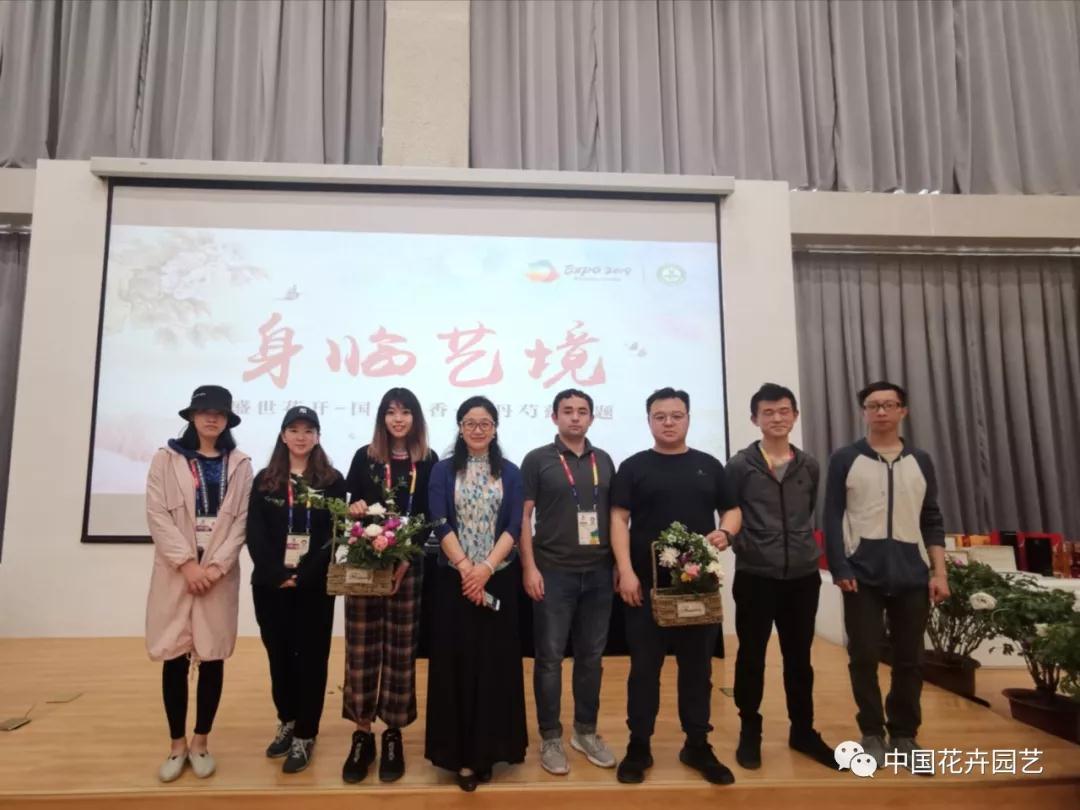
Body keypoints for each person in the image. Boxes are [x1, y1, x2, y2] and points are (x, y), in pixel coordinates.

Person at [610, 387, 742, 785]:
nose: (668, 422)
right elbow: (618, 519)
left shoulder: (708, 465)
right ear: (649, 420)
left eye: (676, 415)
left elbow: (732, 509)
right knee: (644, 669)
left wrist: (725, 532)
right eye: (660, 416)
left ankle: (697, 744)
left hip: (697, 588)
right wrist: (625, 570)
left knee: (697, 669)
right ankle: (639, 745)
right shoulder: (633, 467)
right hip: (646, 586)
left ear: (687, 418)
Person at [824, 381, 948, 772]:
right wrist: (840, 566)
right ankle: (872, 732)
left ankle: (905, 734)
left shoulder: (921, 460)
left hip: (912, 574)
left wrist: (939, 572)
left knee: (910, 659)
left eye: (889, 405)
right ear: (863, 411)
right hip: (861, 574)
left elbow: (931, 518)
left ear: (902, 411)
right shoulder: (845, 458)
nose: (881, 411)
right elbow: (831, 516)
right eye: (873, 405)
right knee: (863, 655)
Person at [145, 385, 253, 782]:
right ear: (192, 416)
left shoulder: (240, 464)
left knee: (212, 657)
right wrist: (188, 565)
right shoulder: (166, 459)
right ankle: (176, 745)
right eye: (204, 411)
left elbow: (241, 521)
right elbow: (157, 514)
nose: (212, 418)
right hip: (178, 573)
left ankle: (201, 741)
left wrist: (216, 567)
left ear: (227, 420)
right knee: (174, 657)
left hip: (217, 576)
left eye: (219, 413)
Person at [724, 383, 835, 771]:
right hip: (756, 575)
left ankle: (802, 730)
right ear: (755, 419)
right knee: (751, 656)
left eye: (784, 411)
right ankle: (749, 729)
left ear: (795, 416)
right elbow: (730, 512)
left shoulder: (809, 465)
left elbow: (810, 512)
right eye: (768, 412)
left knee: (799, 658)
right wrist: (746, 546)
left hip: (802, 576)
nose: (776, 418)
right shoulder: (740, 465)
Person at [425, 396, 528, 791]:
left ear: (495, 428)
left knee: (494, 667)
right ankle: (461, 758)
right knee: (457, 666)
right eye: (470, 422)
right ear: (460, 427)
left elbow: (514, 525)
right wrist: (467, 568)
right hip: (454, 582)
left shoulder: (511, 473)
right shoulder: (443, 470)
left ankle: (488, 752)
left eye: (485, 423)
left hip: (497, 579)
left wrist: (485, 569)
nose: (478, 429)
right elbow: (439, 520)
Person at [340, 388, 439, 783]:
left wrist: (405, 559)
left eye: (406, 412)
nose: (398, 419)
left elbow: (429, 516)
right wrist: (355, 510)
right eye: (391, 412)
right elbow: (353, 510)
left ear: (416, 418)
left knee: (400, 650)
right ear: (382, 417)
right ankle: (362, 733)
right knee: (361, 649)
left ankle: (393, 733)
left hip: (408, 566)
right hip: (365, 563)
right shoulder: (365, 457)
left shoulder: (428, 461)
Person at [520, 388, 617, 775]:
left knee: (591, 658)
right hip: (553, 572)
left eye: (582, 411)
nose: (575, 417)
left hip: (598, 573)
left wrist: (617, 565)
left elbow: (615, 516)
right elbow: (523, 517)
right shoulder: (537, 460)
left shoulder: (603, 460)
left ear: (591, 417)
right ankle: (550, 737)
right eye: (567, 411)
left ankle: (585, 732)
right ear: (554, 417)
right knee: (549, 659)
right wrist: (529, 567)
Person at [246, 405, 346, 774]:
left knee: (312, 660)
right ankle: (287, 720)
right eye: (294, 430)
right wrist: (276, 573)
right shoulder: (265, 480)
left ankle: (306, 733)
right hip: (270, 586)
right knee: (280, 657)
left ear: (317, 437)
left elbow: (335, 534)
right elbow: (254, 532)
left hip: (313, 587)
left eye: (308, 430)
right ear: (283, 435)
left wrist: (304, 575)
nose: (301, 437)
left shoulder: (332, 481)